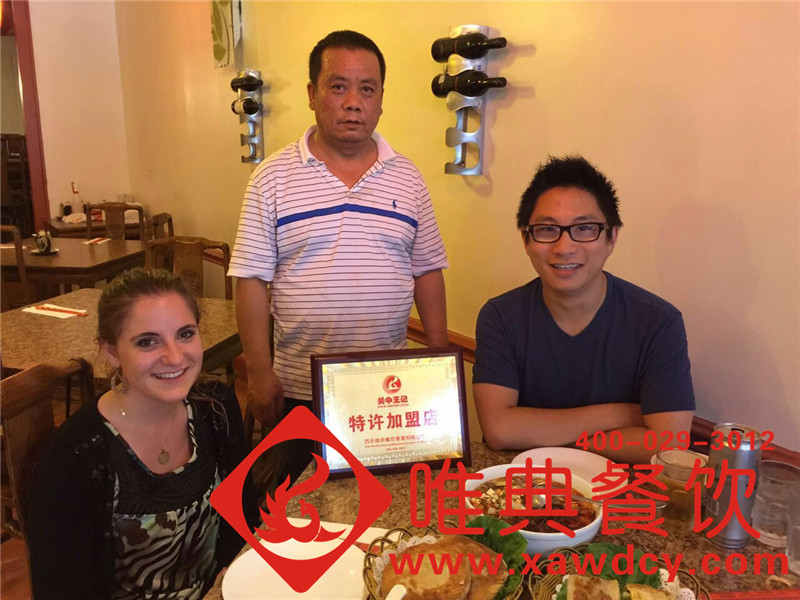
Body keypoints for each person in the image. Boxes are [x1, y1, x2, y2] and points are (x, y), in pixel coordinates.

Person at [229, 31, 448, 482]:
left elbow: (426, 269)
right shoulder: (271, 178)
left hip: (386, 390)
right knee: (295, 506)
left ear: (381, 99)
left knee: (383, 499)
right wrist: (259, 371)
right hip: (298, 388)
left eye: (367, 89)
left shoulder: (407, 178)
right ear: (312, 94)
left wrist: (439, 356)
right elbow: (250, 279)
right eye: (338, 86)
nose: (353, 103)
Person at [27, 268, 259, 599]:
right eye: (147, 341)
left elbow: (244, 520)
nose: (175, 357)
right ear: (111, 351)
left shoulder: (215, 408)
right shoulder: (74, 457)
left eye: (185, 334)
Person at [473, 156, 694, 464]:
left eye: (585, 228)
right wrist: (621, 415)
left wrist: (559, 437)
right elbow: (499, 430)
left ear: (611, 237)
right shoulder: (500, 316)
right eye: (547, 229)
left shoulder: (658, 322)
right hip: (523, 482)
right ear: (526, 239)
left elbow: (669, 443)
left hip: (617, 486)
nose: (564, 247)